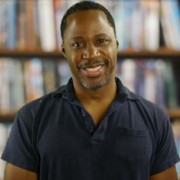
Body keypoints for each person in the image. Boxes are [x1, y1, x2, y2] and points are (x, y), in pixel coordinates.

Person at [1, 1, 179, 180]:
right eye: (78, 44)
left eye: (101, 41)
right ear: (64, 51)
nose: (91, 53)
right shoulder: (31, 119)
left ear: (115, 45)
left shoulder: (155, 119)